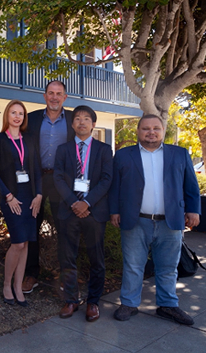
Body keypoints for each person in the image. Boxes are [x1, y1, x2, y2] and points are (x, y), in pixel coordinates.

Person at [110, 114, 201, 325]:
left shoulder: (180, 154)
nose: (151, 132)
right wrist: (114, 211)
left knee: (168, 267)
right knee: (133, 265)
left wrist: (194, 211)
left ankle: (168, 305)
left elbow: (191, 186)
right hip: (136, 220)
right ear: (138, 132)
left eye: (155, 128)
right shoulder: (123, 156)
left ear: (162, 130)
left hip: (170, 221)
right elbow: (115, 187)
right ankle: (129, 304)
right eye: (145, 128)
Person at [53, 106, 113, 321]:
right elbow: (58, 178)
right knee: (67, 258)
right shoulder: (63, 149)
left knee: (96, 259)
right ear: (72, 124)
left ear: (93, 124)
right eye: (77, 118)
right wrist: (73, 202)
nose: (81, 122)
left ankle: (93, 302)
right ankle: (71, 301)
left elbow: (107, 179)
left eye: (86, 119)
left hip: (94, 212)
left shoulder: (104, 150)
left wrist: (86, 203)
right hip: (69, 212)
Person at [0, 100, 43, 307]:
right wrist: (8, 196)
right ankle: (7, 284)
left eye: (21, 113)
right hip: (12, 197)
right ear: (7, 115)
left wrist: (39, 195)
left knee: (26, 242)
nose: (17, 116)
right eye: (13, 112)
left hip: (30, 197)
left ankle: (19, 286)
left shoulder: (30, 139)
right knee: (17, 242)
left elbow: (36, 169)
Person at [22, 80, 75, 293]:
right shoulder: (32, 119)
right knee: (31, 226)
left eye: (58, 93)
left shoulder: (73, 119)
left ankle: (66, 275)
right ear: (44, 96)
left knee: (65, 229)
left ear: (65, 97)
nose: (54, 97)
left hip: (62, 181)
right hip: (36, 179)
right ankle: (31, 274)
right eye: (50, 93)